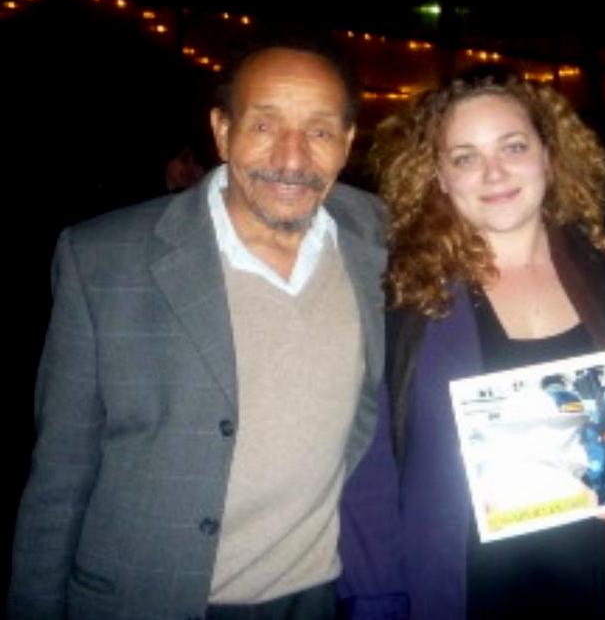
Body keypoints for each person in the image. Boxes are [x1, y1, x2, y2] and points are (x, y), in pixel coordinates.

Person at [8, 42, 386, 619]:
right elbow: (60, 472)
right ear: (222, 130)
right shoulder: (103, 260)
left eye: (319, 131)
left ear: (348, 141)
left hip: (315, 596)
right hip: (147, 598)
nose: (292, 159)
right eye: (265, 126)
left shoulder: (379, 236)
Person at [355, 72, 605, 620]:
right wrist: (381, 601)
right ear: (439, 177)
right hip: (468, 588)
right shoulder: (405, 298)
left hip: (604, 578)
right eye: (465, 157)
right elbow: (371, 469)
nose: (493, 173)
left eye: (513, 147)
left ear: (549, 154)